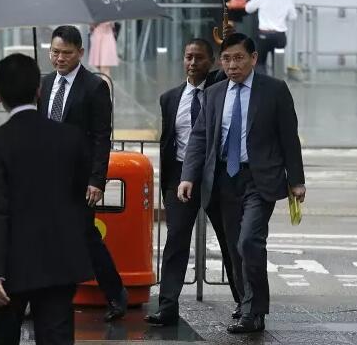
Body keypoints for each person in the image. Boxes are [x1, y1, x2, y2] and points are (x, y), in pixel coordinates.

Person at [178, 33, 306, 334]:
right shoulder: (214, 93)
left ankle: (253, 310)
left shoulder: (274, 90)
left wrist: (296, 180)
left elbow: (289, 136)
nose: (232, 65)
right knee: (235, 248)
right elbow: (199, 138)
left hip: (259, 179)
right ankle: (246, 304)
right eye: (226, 59)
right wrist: (188, 176)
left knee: (249, 241)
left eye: (238, 58)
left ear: (253, 58)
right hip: (223, 179)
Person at [0, 53, 94, 345]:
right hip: (59, 260)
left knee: (5, 336)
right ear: (39, 90)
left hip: (11, 265)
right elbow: (78, 195)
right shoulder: (70, 138)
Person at [144, 38, 240, 327]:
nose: (193, 63)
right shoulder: (170, 98)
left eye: (199, 57)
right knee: (175, 240)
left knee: (230, 241)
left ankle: (244, 303)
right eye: (188, 57)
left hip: (216, 177)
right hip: (179, 178)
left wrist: (229, 37)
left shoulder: (220, 89)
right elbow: (168, 141)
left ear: (212, 62)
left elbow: (232, 67)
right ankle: (167, 306)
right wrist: (168, 182)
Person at [38, 25, 128, 322]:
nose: (59, 58)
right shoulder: (45, 84)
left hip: (78, 178)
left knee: (85, 237)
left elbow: (102, 137)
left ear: (80, 52)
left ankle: (115, 294)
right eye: (55, 52)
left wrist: (96, 180)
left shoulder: (94, 86)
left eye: (66, 53)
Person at [245, 0, 297, 74]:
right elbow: (293, 16)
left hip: (263, 35)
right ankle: (278, 81)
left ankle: (263, 82)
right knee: (278, 63)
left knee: (260, 63)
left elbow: (248, 9)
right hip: (279, 36)